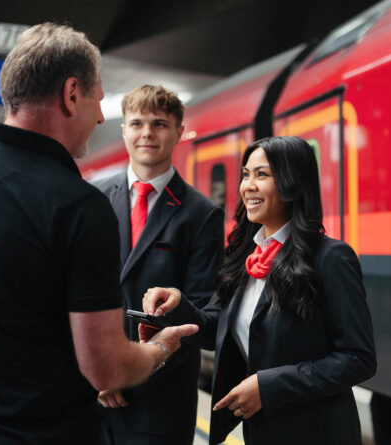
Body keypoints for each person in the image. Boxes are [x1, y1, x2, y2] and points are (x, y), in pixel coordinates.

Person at [0, 23, 197, 444]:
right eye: (97, 99)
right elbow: (106, 368)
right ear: (71, 93)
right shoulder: (79, 206)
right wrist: (162, 349)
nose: (99, 115)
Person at [143, 136, 377, 445]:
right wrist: (177, 307)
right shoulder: (245, 257)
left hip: (318, 433)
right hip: (261, 432)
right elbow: (220, 331)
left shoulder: (331, 258)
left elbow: (358, 358)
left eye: (262, 175)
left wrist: (269, 387)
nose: (248, 186)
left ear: (293, 183)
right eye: (246, 174)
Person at [94, 84, 224, 445]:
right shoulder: (93, 201)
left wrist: (130, 370)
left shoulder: (201, 214)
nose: (147, 133)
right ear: (124, 131)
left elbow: (207, 317)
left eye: (160, 123)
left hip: (161, 401)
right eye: (136, 123)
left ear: (179, 132)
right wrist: (100, 373)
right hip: (93, 396)